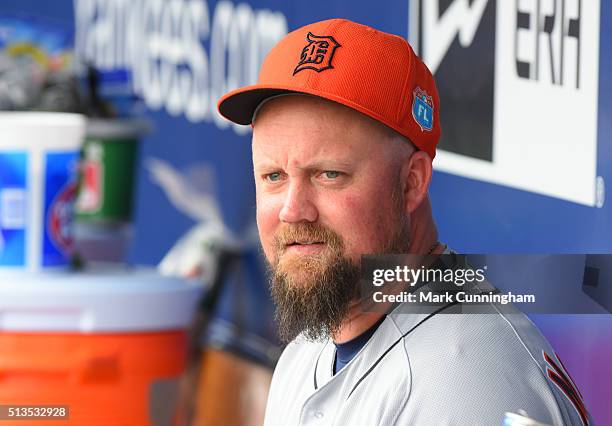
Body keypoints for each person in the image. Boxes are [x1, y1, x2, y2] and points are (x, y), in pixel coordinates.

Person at [217, 18, 591, 426]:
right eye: (274, 176)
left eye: (329, 175)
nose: (293, 209)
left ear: (411, 183)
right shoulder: (308, 352)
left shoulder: (463, 386)